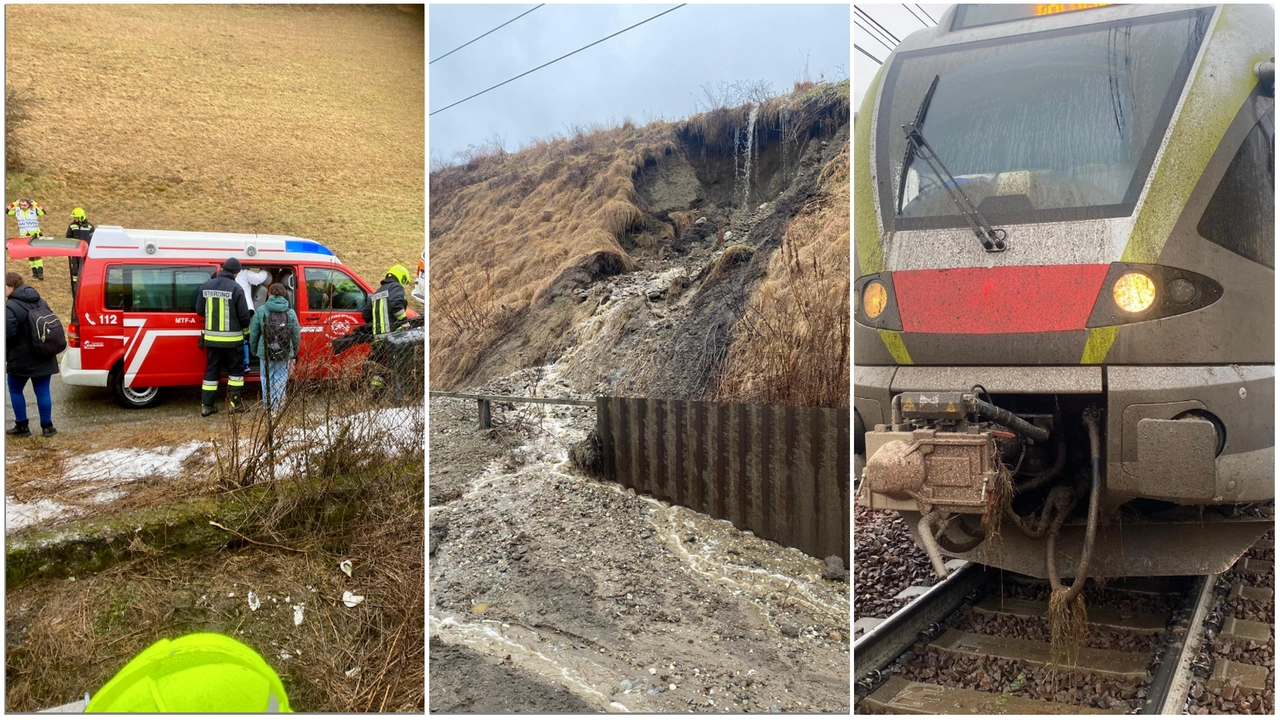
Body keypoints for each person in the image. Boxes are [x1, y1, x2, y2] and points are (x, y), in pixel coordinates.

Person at [195, 258, 252, 417]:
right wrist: (246, 334)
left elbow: (199, 310)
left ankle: (207, 406)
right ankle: (235, 404)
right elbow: (244, 316)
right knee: (235, 372)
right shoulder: (236, 288)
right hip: (233, 341)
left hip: (212, 340)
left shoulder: (206, 286)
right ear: (236, 272)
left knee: (211, 371)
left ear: (223, 269)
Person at [5, 271, 58, 437]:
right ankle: (47, 427)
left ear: (12, 287)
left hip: (21, 359)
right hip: (44, 354)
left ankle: (22, 426)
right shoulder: (41, 301)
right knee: (43, 392)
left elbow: (8, 333)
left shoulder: (9, 306)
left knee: (15, 390)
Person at [248, 283, 300, 413]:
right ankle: (278, 408)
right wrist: (294, 352)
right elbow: (296, 334)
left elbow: (254, 334)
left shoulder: (260, 311)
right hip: (284, 351)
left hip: (265, 352)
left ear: (269, 294)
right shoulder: (291, 312)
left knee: (266, 378)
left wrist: (254, 350)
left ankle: (268, 407)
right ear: (284, 295)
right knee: (281, 379)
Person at [362, 264, 410, 388]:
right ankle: (397, 392)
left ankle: (375, 391)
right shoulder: (396, 287)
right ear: (400, 277)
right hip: (392, 336)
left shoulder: (377, 292)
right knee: (396, 365)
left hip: (377, 338)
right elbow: (396, 305)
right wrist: (404, 320)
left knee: (381, 367)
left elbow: (366, 314)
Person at [235, 266, 271, 369]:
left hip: (235, 309)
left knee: (239, 336)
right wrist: (265, 270)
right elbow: (260, 278)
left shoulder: (229, 275)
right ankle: (245, 363)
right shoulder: (244, 273)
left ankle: (242, 362)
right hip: (246, 309)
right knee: (245, 337)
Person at [7, 198, 46, 280]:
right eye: (21, 205)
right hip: (24, 235)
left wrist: (36, 204)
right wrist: (14, 203)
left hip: (35, 234)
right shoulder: (17, 210)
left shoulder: (34, 209)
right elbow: (6, 211)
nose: (23, 207)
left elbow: (43, 212)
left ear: (29, 205)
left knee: (37, 254)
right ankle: (34, 272)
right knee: (29, 254)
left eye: (25, 205)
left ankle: (40, 273)